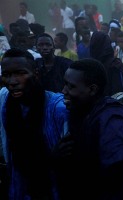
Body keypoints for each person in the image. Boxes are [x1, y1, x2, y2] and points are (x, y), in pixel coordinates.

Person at [55, 58, 123, 199]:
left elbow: (120, 181)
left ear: (92, 89)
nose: (64, 91)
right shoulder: (83, 112)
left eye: (71, 86)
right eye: (65, 84)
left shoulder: (112, 121)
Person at [0, 48, 69, 199]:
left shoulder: (57, 109)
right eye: (6, 75)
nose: (12, 82)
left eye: (20, 73)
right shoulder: (5, 102)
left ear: (36, 74)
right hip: (19, 187)